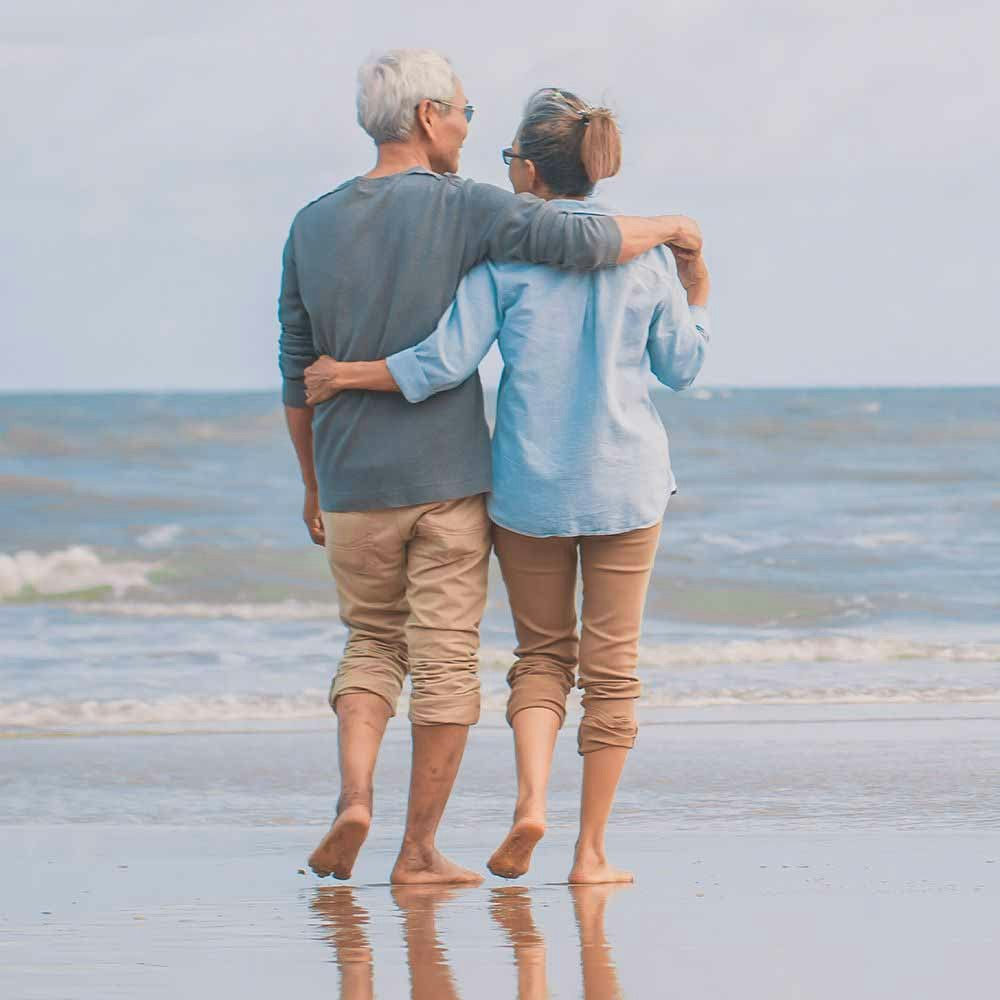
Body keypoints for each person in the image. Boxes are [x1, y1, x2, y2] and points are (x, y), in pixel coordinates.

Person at [279, 50, 703, 886]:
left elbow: (376, 363)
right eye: (466, 114)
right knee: (562, 668)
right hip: (557, 482)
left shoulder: (342, 229)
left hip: (461, 485)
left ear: (529, 164)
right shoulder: (532, 230)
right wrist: (680, 244)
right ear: (430, 115)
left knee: (461, 651)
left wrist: (325, 434)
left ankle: (433, 801)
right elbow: (661, 338)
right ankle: (528, 853)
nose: (475, 138)